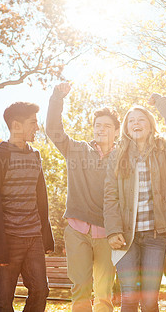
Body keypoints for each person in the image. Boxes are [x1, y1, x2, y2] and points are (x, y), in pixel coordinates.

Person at [103, 93, 166, 312]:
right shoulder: (117, 155)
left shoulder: (162, 149)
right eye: (131, 121)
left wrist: (162, 102)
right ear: (126, 128)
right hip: (125, 236)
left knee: (149, 300)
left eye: (141, 119)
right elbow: (110, 196)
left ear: (150, 124)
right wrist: (112, 231)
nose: (136, 124)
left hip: (155, 236)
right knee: (129, 297)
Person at [46, 83, 120, 312]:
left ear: (117, 131)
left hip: (108, 234)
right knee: (80, 288)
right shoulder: (77, 149)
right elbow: (53, 130)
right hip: (77, 231)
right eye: (98, 125)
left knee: (104, 292)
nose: (101, 129)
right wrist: (57, 97)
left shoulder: (122, 157)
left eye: (107, 126)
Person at [0, 102, 54, 312]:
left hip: (33, 237)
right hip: (9, 238)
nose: (37, 128)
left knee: (41, 291)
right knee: (3, 301)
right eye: (33, 123)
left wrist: (46, 234)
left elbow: (41, 198)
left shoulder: (35, 155)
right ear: (16, 125)